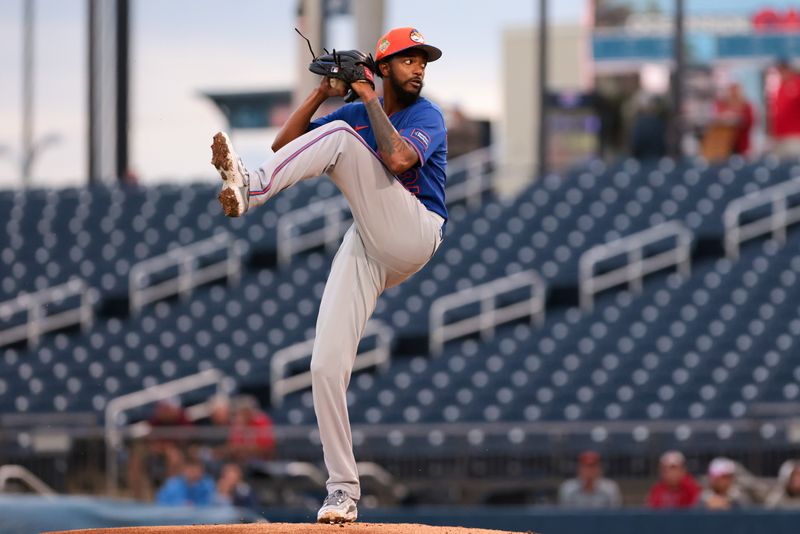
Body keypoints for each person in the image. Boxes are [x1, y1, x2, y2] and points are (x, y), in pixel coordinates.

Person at [210, 27, 446, 524]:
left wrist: (363, 95)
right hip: (371, 239)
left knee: (340, 137)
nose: (419, 68)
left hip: (415, 230)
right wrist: (322, 92)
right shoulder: (358, 111)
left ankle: (248, 189)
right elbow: (285, 144)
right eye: (408, 60)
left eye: (423, 61)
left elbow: (400, 158)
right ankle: (342, 491)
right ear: (384, 68)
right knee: (324, 365)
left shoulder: (426, 116)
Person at [769, 58, 800, 158]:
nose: (781, 73)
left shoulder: (797, 84)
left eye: (783, 69)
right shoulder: (780, 87)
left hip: (795, 137)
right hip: (780, 137)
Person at [713, 83, 754, 156]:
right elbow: (717, 118)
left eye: (735, 91)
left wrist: (738, 118)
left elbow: (750, 122)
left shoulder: (746, 106)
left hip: (741, 143)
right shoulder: (722, 104)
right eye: (731, 91)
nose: (733, 94)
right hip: (724, 144)